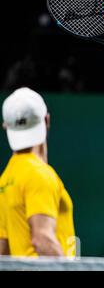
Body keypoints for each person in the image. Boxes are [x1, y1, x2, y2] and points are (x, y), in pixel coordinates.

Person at [0, 87, 76, 257]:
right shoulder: (40, 174)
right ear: (47, 120)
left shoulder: (6, 179)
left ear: (6, 126)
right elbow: (42, 239)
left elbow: (2, 249)